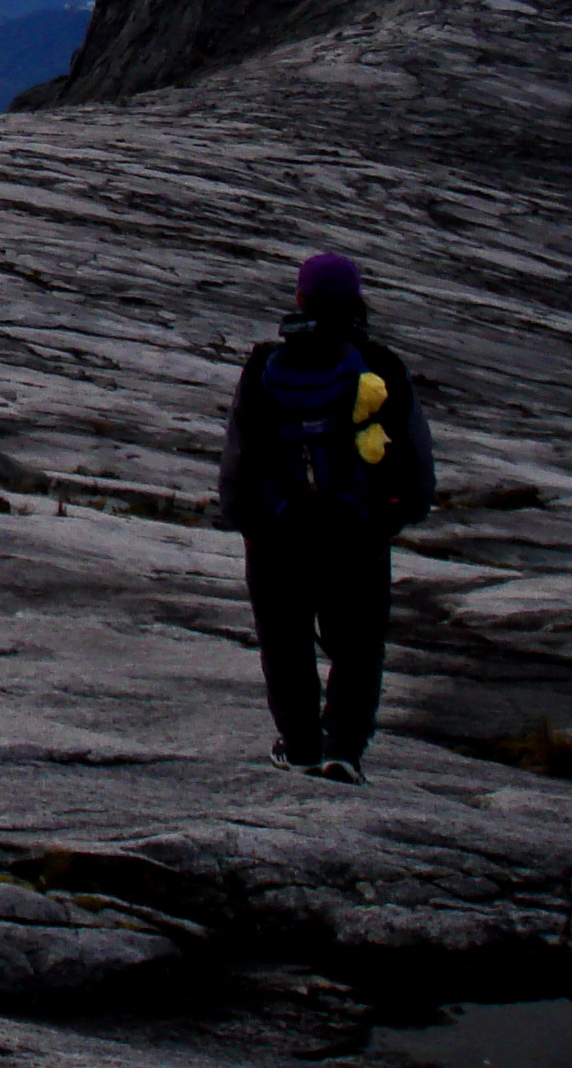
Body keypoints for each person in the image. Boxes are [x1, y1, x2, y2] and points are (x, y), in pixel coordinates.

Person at [216, 252, 434, 786]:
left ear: (300, 300)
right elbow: (414, 456)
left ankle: (300, 746)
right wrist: (395, 515)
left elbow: (241, 453)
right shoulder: (380, 367)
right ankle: (345, 750)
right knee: (358, 644)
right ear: (357, 301)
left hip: (279, 533)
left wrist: (246, 517)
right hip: (356, 532)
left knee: (284, 642)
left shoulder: (265, 365)